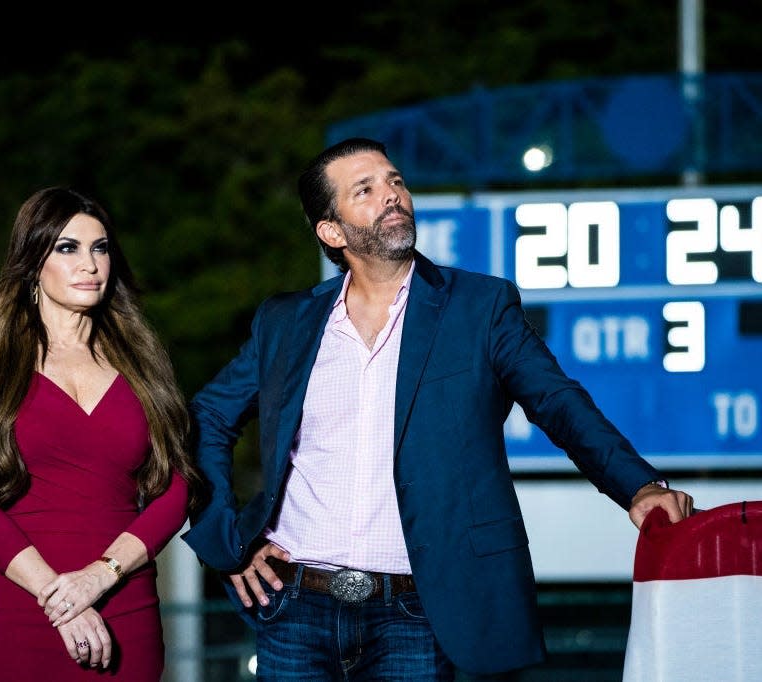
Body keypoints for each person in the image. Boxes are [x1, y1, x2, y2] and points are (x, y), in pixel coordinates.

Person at [181, 137, 696, 681]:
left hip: (418, 611)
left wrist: (638, 487)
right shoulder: (285, 322)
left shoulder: (479, 307)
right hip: (295, 608)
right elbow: (208, 417)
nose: (392, 195)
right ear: (331, 232)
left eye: (395, 181)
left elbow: (558, 402)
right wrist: (227, 541)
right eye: (366, 189)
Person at [0, 186, 204, 680]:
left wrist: (98, 577)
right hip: (24, 604)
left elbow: (176, 488)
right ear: (32, 263)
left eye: (100, 247)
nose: (90, 264)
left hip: (124, 601)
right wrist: (58, 596)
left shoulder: (142, 360)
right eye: (68, 248)